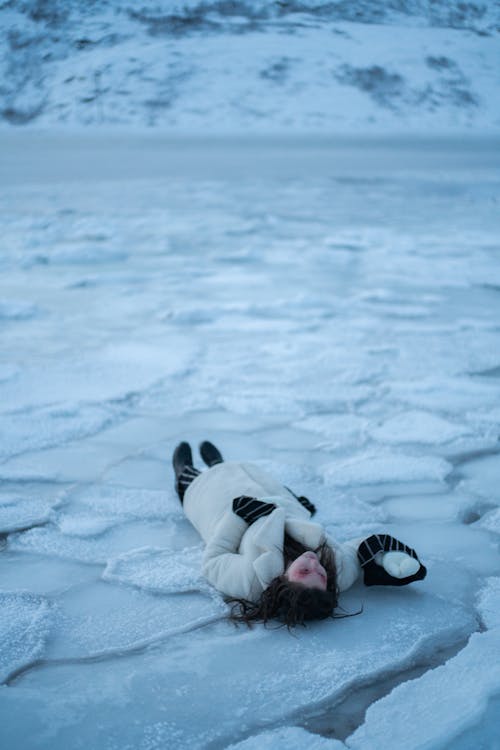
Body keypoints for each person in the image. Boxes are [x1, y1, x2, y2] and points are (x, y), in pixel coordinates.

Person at [172, 441, 427, 628]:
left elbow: (214, 560)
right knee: (235, 471)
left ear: (282, 583)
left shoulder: (250, 581)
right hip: (279, 499)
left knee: (200, 483)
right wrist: (391, 560)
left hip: (221, 503)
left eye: (304, 572)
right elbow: (360, 551)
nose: (315, 564)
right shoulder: (337, 572)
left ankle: (184, 471)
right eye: (320, 575)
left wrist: (238, 517)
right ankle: (218, 462)